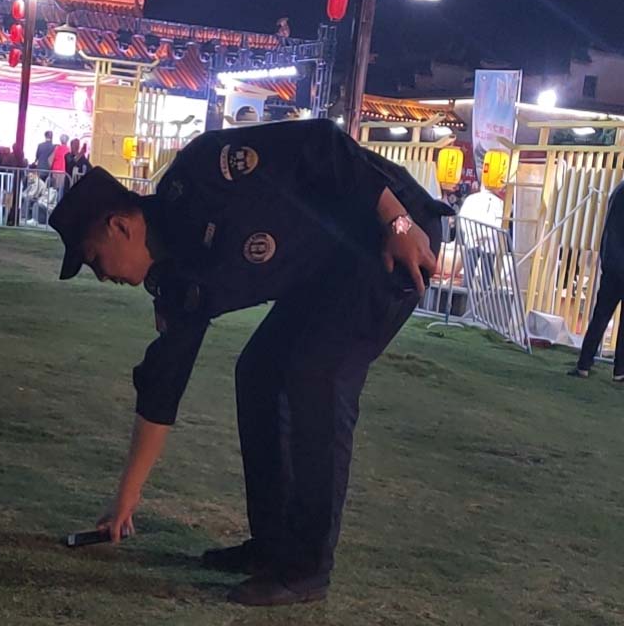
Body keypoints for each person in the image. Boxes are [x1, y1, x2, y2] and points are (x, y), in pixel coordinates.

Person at [48, 119, 450, 607]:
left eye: (94, 259)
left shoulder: (203, 174)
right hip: (324, 272)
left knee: (315, 373)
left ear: (120, 226)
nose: (100, 275)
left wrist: (398, 222)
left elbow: (320, 143)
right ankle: (272, 547)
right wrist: (125, 500)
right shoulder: (177, 282)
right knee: (258, 373)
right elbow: (163, 386)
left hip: (389, 236)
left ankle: (305, 569)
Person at [570, 181, 624, 382]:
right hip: (617, 265)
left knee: (600, 316)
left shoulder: (618, 191)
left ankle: (584, 364)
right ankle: (620, 370)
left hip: (613, 265)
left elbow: (611, 231)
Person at [50, 134, 71, 201]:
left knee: (55, 190)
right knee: (61, 191)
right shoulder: (69, 150)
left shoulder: (57, 148)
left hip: (55, 172)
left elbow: (50, 160)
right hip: (64, 172)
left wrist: (51, 168)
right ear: (67, 141)